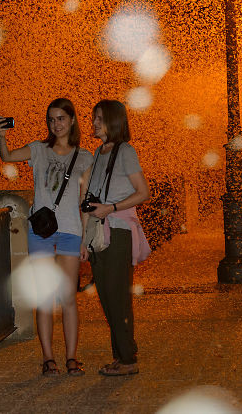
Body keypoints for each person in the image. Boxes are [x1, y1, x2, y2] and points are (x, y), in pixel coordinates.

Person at [0, 98, 94, 377]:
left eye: (61, 118)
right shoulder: (38, 150)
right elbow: (7, 157)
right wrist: (2, 138)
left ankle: (72, 358)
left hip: (71, 232)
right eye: (51, 119)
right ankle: (48, 358)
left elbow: (85, 201)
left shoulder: (85, 157)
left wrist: (85, 238)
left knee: (68, 298)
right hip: (41, 233)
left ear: (72, 120)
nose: (56, 124)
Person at [86, 99, 150, 376]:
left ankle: (127, 359)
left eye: (99, 118)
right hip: (99, 230)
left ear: (113, 121)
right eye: (94, 117)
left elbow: (143, 192)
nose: (94, 122)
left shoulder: (125, 151)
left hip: (118, 230)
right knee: (107, 296)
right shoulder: (99, 153)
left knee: (117, 296)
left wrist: (111, 207)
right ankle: (121, 355)